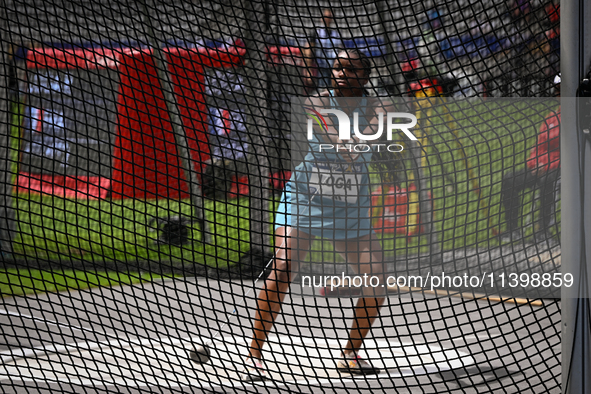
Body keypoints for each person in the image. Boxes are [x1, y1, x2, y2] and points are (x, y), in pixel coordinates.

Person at [240, 49, 396, 381]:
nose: (341, 73)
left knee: (377, 279)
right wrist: (344, 142)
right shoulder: (317, 101)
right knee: (283, 268)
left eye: (351, 69)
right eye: (338, 67)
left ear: (365, 76)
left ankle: (350, 353)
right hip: (305, 199)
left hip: (350, 207)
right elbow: (328, 127)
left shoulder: (380, 106)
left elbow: (375, 126)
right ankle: (254, 353)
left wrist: (360, 141)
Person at [501, 74, 560, 244]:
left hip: (560, 169)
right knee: (509, 179)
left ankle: (543, 231)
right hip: (541, 166)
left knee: (547, 180)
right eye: (557, 90)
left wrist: (547, 165)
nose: (559, 94)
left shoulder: (575, 117)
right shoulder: (551, 117)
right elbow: (538, 146)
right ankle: (512, 230)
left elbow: (571, 152)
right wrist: (535, 164)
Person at [305, 8, 343, 90]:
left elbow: (340, 51)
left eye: (329, 17)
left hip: (334, 68)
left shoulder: (336, 34)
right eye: (325, 16)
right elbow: (308, 51)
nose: (327, 19)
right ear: (321, 18)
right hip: (321, 68)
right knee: (323, 91)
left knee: (335, 90)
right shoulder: (316, 32)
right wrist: (308, 70)